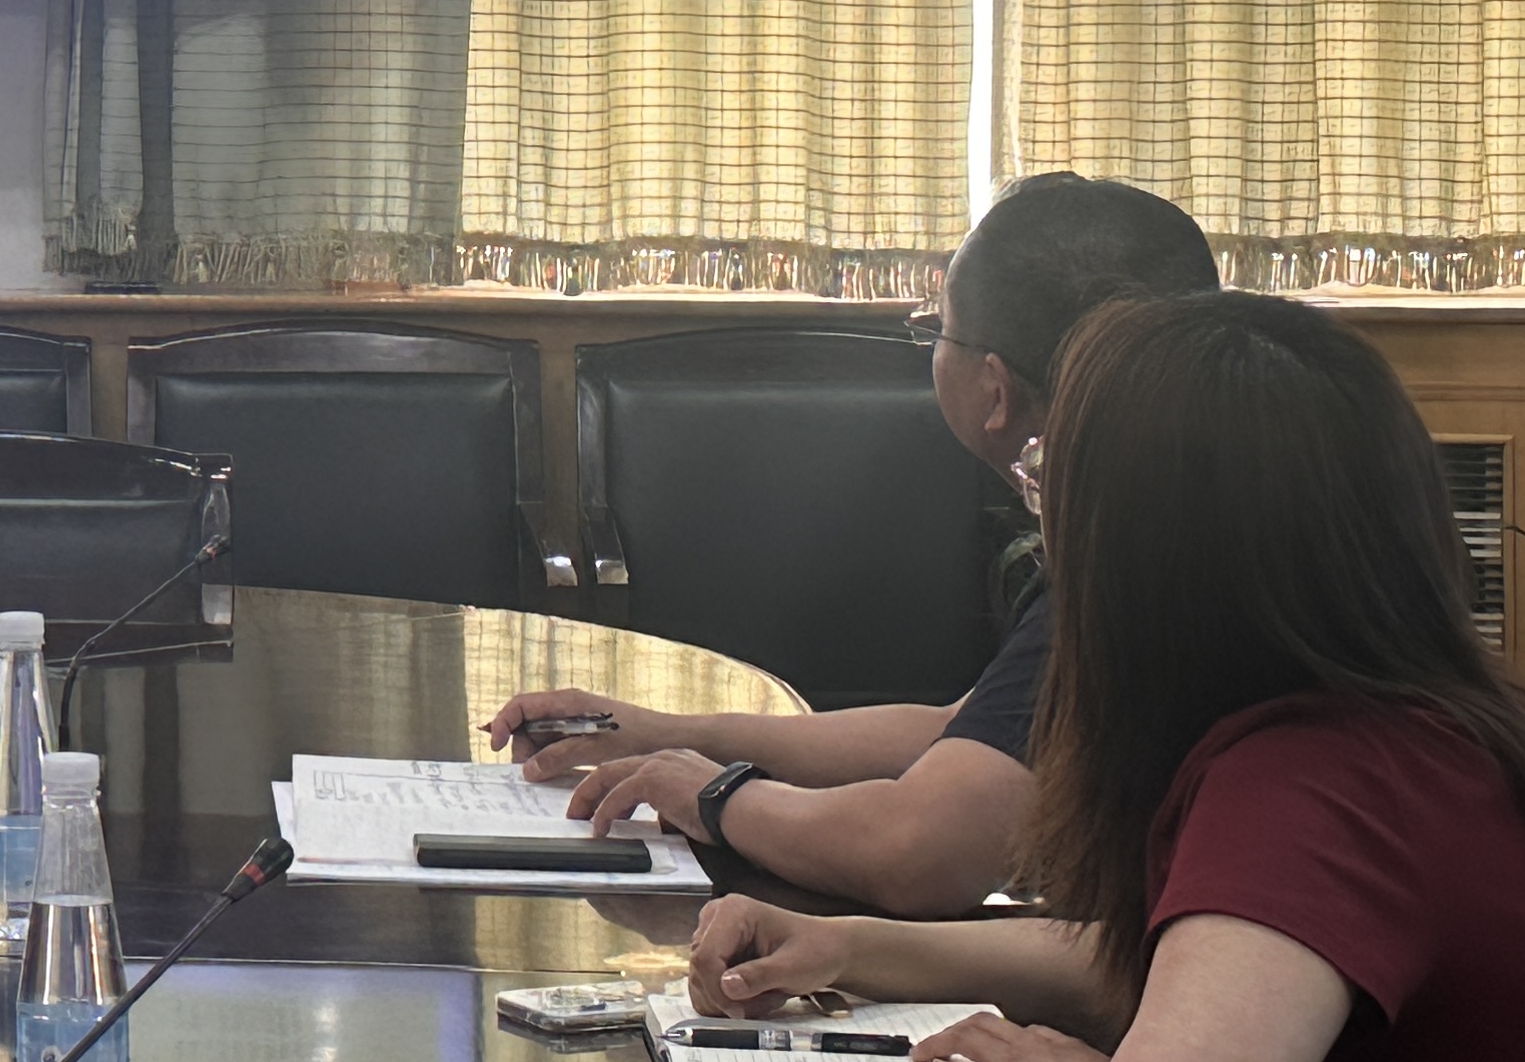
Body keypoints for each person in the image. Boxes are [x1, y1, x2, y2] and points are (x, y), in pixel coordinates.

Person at [687, 291, 1525, 1062]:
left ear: (1143, 556)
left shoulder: (1310, 783)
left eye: (1050, 490)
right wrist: (857, 948)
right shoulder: (1436, 732)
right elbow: (1194, 972)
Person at [479, 171, 1219, 911]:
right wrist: (667, 734)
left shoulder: (1120, 572)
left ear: (995, 393)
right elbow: (964, 733)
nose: (932, 344)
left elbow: (915, 850)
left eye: (939, 329)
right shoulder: (1196, 510)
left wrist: (716, 796)